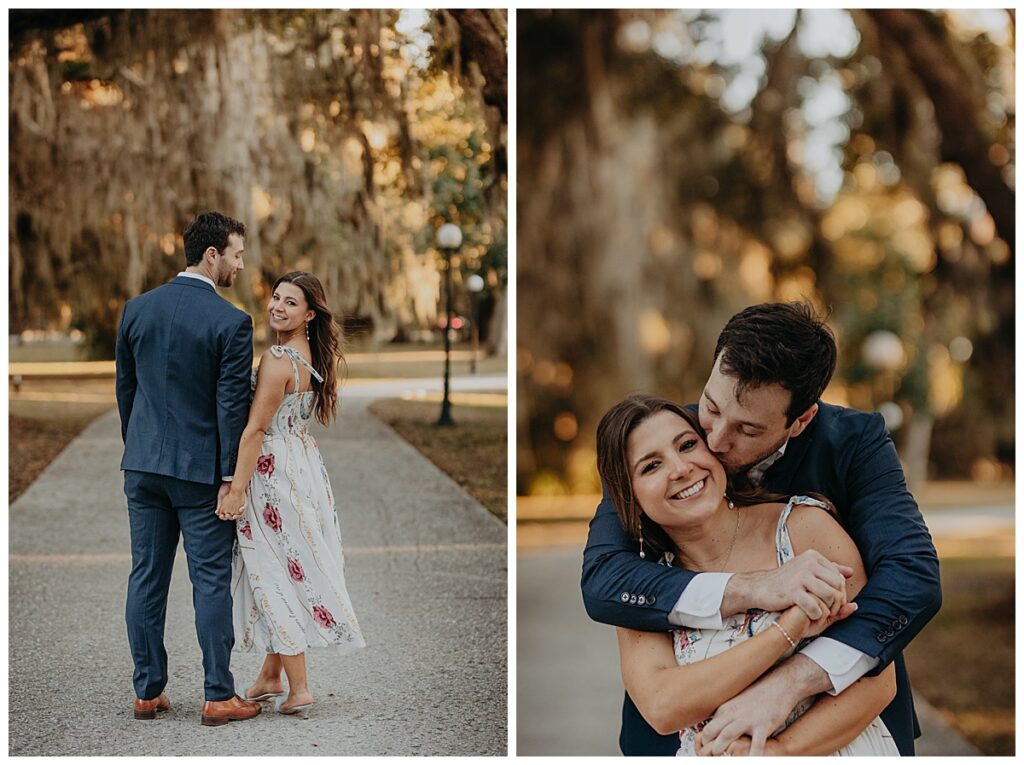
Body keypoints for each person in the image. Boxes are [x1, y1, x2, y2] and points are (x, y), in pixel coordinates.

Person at [582, 302, 941, 756]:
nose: (714, 442)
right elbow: (604, 580)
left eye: (747, 429)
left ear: (801, 419)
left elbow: (912, 576)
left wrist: (791, 683)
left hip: (844, 729)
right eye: (712, 407)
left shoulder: (852, 445)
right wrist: (756, 588)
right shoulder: (673, 438)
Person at [597, 394, 899, 755]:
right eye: (651, 467)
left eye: (688, 445)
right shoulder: (641, 584)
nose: (680, 469)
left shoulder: (803, 528)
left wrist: (775, 752)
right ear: (628, 498)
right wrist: (791, 628)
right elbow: (663, 707)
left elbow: (878, 683)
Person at [116, 211, 262, 726]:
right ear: (212, 255)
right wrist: (230, 478)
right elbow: (230, 408)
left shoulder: (136, 310)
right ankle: (218, 694)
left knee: (146, 578)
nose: (241, 265)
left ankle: (148, 692)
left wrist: (139, 450)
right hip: (201, 476)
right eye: (237, 254)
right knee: (210, 582)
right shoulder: (231, 322)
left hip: (144, 467)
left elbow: (126, 393)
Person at [217, 271, 366, 719]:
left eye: (290, 302)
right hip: (301, 465)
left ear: (309, 313)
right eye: (276, 298)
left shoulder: (278, 359)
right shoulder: (310, 355)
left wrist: (237, 489)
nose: (277, 307)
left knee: (270, 569)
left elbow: (257, 428)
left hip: (272, 472)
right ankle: (270, 675)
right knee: (291, 559)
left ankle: (299, 687)